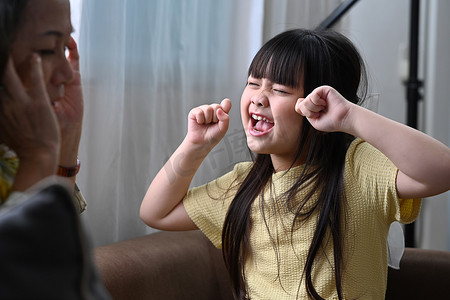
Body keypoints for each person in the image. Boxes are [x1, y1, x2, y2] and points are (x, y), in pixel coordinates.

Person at [140, 29, 450, 299]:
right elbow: (155, 212)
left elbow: (442, 170)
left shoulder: (357, 169)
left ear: (321, 103)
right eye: (253, 83)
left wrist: (349, 117)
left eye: (280, 89)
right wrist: (195, 145)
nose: (259, 98)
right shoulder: (243, 184)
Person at [0, 0, 86, 213]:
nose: (67, 74)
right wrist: (37, 156)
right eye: (47, 49)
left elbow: (61, 236)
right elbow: (32, 244)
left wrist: (69, 133)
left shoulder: (11, 146)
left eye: (65, 46)